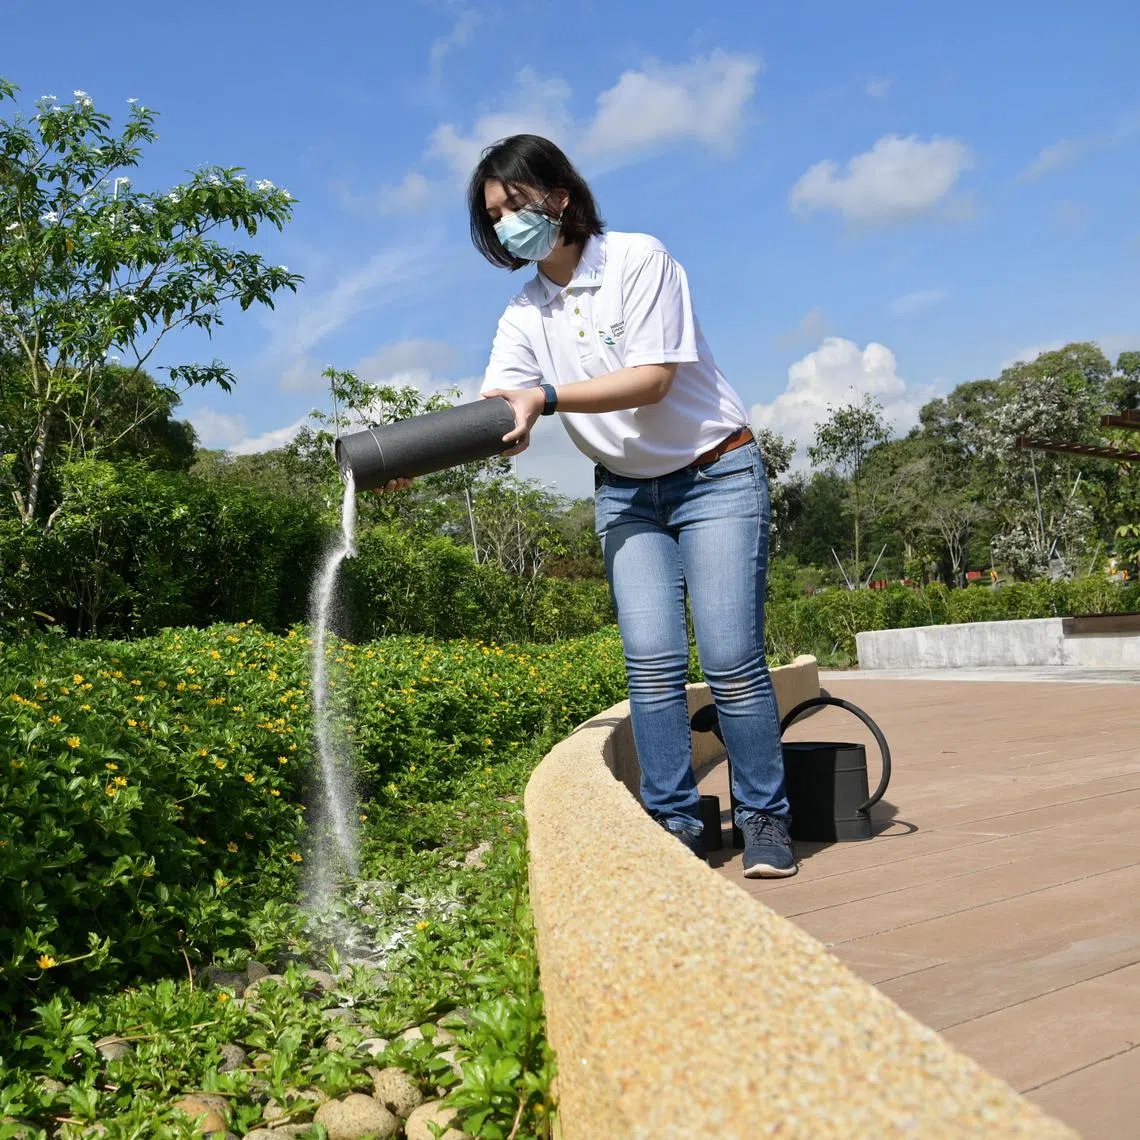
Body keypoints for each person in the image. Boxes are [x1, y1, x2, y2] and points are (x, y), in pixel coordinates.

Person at [383, 133, 796, 877]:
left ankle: (764, 819)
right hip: (628, 495)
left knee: (732, 660)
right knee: (652, 663)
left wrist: (544, 397)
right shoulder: (525, 312)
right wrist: (413, 460)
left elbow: (652, 380)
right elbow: (499, 410)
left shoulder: (640, 260)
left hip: (716, 474)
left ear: (559, 197)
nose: (508, 221)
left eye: (516, 204)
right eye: (495, 213)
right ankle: (674, 823)